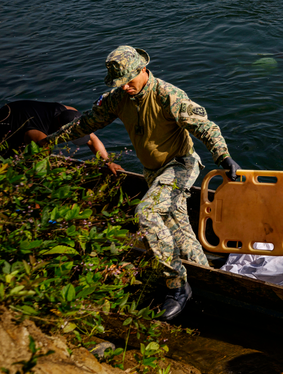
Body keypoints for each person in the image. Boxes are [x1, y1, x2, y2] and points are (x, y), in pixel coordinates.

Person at [43, 46, 244, 322]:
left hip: (180, 166)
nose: (125, 87)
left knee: (146, 213)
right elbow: (86, 123)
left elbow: (205, 127)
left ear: (143, 70)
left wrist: (223, 156)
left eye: (129, 80)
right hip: (153, 172)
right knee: (181, 234)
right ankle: (210, 282)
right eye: (120, 83)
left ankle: (177, 286)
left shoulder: (168, 95)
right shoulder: (117, 99)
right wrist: (50, 141)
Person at [0, 100, 117, 175]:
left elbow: (92, 139)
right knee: (12, 159)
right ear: (58, 131)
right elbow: (39, 168)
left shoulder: (72, 115)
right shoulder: (38, 135)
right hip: (8, 119)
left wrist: (108, 162)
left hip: (26, 110)